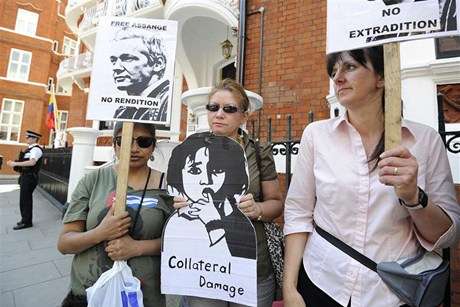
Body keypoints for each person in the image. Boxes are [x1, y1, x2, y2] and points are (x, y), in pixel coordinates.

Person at [283, 46, 460, 307]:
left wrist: (413, 197)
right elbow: (298, 213)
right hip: (323, 280)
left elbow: (447, 235)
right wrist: (289, 288)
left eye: (350, 67)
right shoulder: (316, 136)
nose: (338, 78)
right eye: (334, 70)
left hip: (390, 292)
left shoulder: (424, 141)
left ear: (381, 77)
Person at [174, 78, 283, 307]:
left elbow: (276, 204)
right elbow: (178, 194)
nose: (219, 114)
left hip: (251, 264)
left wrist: (258, 209)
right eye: (213, 108)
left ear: (244, 115)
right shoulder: (191, 151)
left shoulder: (257, 151)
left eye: (229, 109)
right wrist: (181, 202)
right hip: (203, 263)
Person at [57, 122, 172, 307]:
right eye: (125, 141)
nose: (134, 148)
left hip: (142, 297)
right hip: (87, 295)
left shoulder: (168, 186)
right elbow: (64, 243)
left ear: (153, 146)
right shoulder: (93, 180)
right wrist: (100, 232)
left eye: (143, 142)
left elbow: (178, 243)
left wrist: (137, 248)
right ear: (114, 144)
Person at [167, 133, 256, 259]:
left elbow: (235, 266)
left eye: (216, 171)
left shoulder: (241, 224)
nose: (206, 180)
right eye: (195, 171)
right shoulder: (176, 221)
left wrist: (213, 223)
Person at [110, 27, 170, 122]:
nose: (116, 67)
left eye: (127, 58)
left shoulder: (169, 101)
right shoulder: (122, 111)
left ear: (158, 64)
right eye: (113, 61)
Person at [7, 130, 43, 230]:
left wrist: (16, 164)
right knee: (24, 199)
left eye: (28, 137)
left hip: (30, 177)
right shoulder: (30, 150)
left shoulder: (36, 150)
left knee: (25, 200)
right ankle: (25, 219)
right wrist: (16, 164)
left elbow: (32, 163)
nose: (26, 138)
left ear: (34, 138)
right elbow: (26, 161)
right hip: (26, 176)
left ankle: (27, 222)